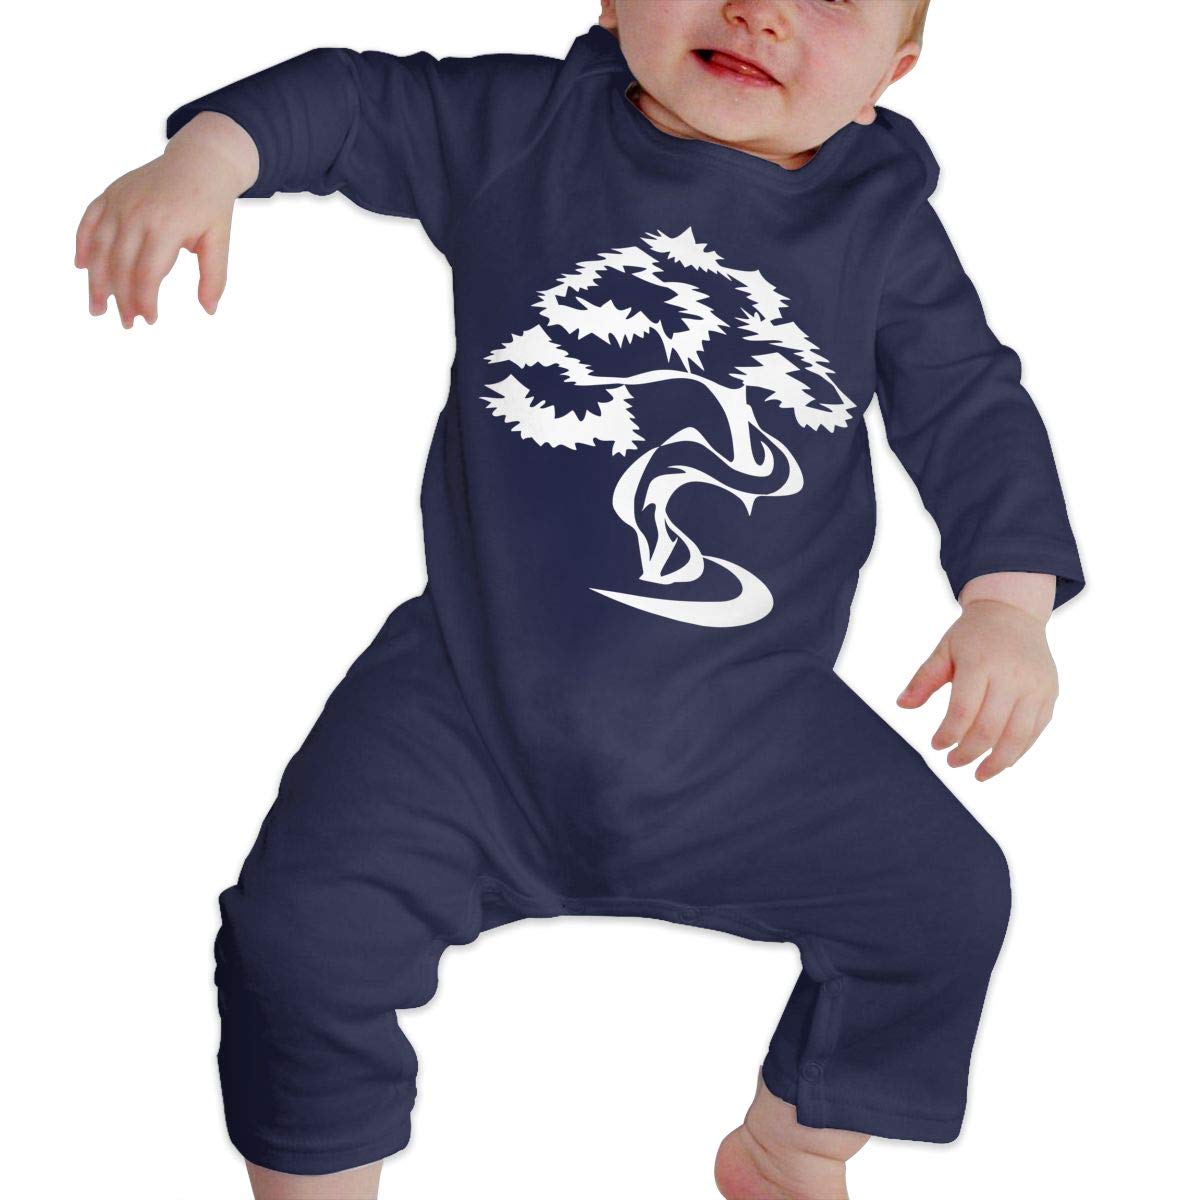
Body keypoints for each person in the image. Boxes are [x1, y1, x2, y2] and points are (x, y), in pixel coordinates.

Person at [73, 2, 1085, 1197]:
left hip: (751, 730)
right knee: (296, 937)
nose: (758, 9)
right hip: (469, 703)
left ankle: (791, 1143)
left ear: (889, 75)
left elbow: (971, 406)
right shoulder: (529, 131)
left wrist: (1007, 604)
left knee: (946, 899)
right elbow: (353, 97)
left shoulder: (881, 222)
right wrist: (208, 156)